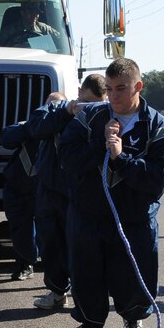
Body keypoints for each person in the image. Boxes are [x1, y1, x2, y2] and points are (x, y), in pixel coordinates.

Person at [58, 58, 164, 328]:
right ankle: (88, 324)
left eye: (121, 89)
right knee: (86, 271)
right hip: (89, 213)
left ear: (138, 86)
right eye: (110, 89)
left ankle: (133, 320)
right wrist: (98, 145)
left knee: (135, 273)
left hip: (134, 217)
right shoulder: (89, 119)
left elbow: (159, 175)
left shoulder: (159, 127)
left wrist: (121, 158)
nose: (113, 96)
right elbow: (67, 158)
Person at [28, 76, 107, 310]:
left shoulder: (104, 115)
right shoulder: (59, 108)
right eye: (86, 102)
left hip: (81, 192)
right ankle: (56, 291)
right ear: (79, 92)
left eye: (96, 104)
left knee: (82, 248)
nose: (89, 109)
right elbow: (36, 127)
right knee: (50, 245)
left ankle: (86, 302)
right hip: (50, 190)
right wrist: (68, 111)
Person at [1, 119, 40, 281]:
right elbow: (6, 137)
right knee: (21, 229)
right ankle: (25, 263)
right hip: (19, 187)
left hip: (47, 188)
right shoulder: (31, 125)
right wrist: (32, 127)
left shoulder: (66, 127)